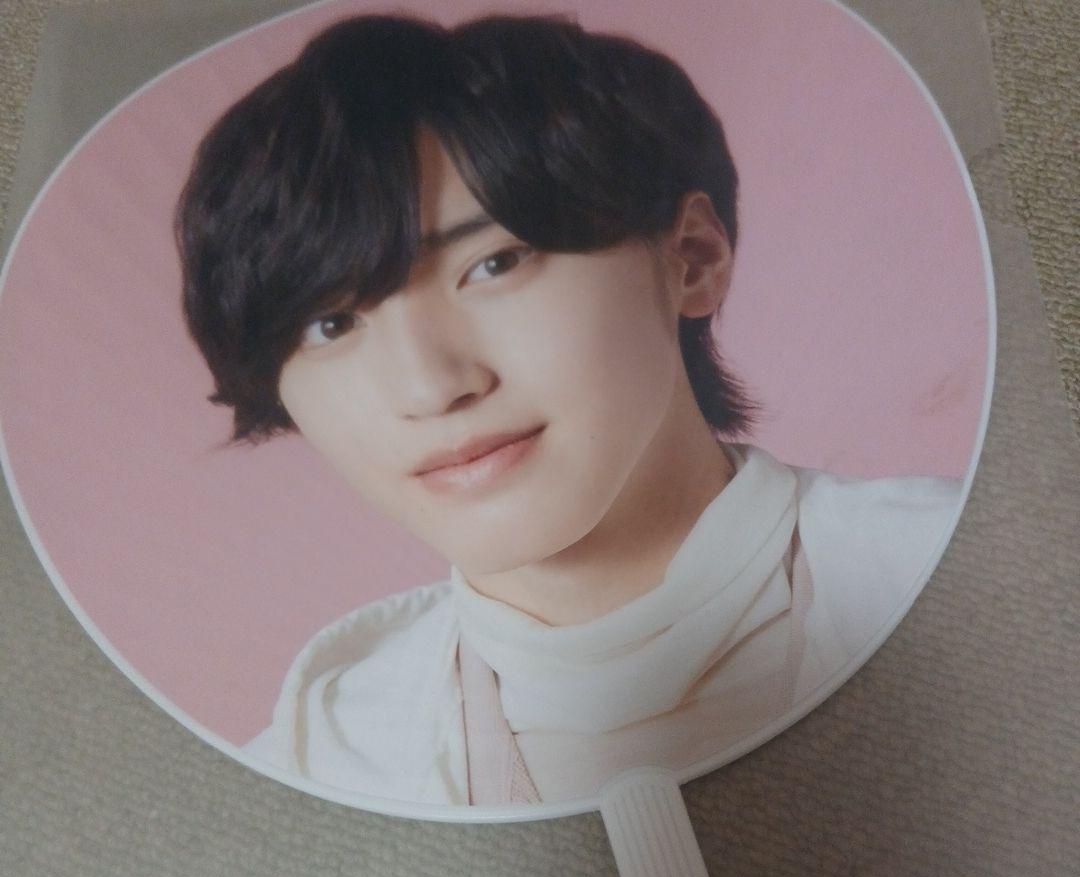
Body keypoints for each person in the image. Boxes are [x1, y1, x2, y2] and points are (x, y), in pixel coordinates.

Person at [175, 13, 960, 806]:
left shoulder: (969, 572)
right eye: (331, 325)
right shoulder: (317, 774)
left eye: (494, 264)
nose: (431, 387)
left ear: (691, 257)